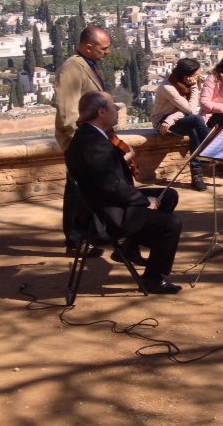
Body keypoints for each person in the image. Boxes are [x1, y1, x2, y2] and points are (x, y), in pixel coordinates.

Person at [65, 91, 183, 295]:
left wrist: (123, 161)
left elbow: (106, 177)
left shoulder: (91, 136)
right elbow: (110, 186)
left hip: (104, 202)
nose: (117, 110)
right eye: (113, 106)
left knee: (169, 195)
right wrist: (144, 201)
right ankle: (152, 279)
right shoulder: (93, 144)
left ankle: (128, 248)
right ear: (101, 112)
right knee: (171, 224)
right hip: (106, 216)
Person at [55, 24, 112, 253]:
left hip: (91, 139)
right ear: (89, 47)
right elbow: (67, 110)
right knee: (76, 191)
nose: (107, 52)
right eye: (104, 48)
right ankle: (74, 239)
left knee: (88, 189)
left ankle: (91, 235)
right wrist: (77, 141)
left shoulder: (87, 64)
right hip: (81, 141)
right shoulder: (71, 68)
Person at [151, 58, 209, 191]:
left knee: (194, 130)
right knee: (197, 120)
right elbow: (191, 110)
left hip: (173, 119)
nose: (199, 76)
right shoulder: (168, 87)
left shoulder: (184, 86)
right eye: (196, 74)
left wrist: (172, 117)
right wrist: (194, 87)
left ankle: (197, 176)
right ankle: (210, 150)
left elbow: (185, 111)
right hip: (162, 122)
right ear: (186, 77)